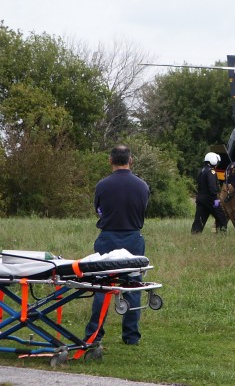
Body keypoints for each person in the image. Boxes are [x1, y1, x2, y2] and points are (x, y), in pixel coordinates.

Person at [84, 145, 150, 346]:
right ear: (131, 160)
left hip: (108, 237)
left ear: (110, 160)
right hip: (133, 237)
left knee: (102, 285)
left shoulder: (102, 185)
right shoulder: (142, 185)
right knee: (133, 285)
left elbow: (98, 209)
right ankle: (131, 336)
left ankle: (95, 333)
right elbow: (143, 210)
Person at [192, 152, 228, 234]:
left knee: (199, 219)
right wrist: (216, 200)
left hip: (200, 198)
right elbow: (212, 186)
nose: (217, 165)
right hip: (211, 199)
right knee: (222, 217)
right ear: (213, 160)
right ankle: (221, 234)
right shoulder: (211, 171)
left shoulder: (201, 170)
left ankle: (195, 234)